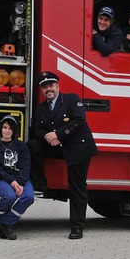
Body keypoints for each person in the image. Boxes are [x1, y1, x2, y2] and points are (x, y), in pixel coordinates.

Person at [27, 71, 98, 240]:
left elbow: (79, 121)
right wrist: (48, 137)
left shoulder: (72, 100)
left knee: (77, 187)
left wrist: (58, 135)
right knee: (32, 145)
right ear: (41, 90)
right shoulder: (41, 109)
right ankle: (40, 183)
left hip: (77, 146)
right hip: (57, 146)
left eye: (51, 85)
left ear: (58, 86)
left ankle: (77, 227)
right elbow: (38, 130)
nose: (48, 89)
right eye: (45, 87)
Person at [0, 115, 34, 240]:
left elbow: (25, 166)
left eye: (10, 129)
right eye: (4, 128)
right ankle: (0, 220)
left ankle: (5, 222)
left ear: (14, 131)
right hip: (1, 179)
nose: (7, 131)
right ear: (0, 128)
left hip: (20, 178)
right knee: (9, 196)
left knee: (28, 197)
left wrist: (21, 183)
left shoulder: (22, 146)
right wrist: (12, 181)